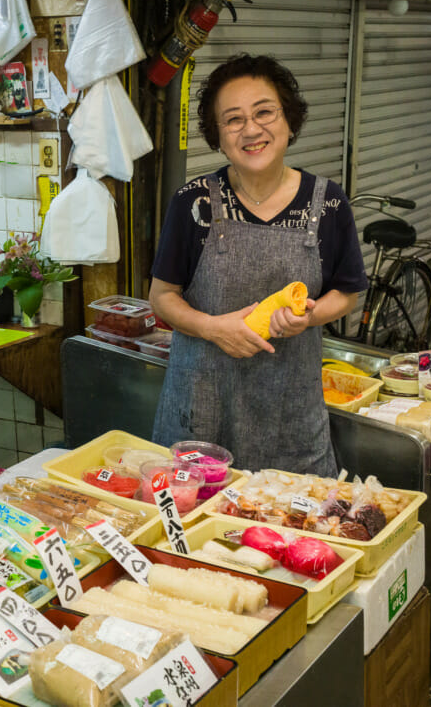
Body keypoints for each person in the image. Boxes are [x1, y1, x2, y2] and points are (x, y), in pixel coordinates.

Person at [149, 53, 368, 476]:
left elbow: (348, 291)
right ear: (218, 134)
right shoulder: (192, 202)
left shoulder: (329, 203)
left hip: (290, 419)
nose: (251, 129)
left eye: (264, 112)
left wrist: (311, 315)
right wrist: (214, 329)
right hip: (201, 412)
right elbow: (162, 297)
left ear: (289, 119)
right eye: (233, 119)